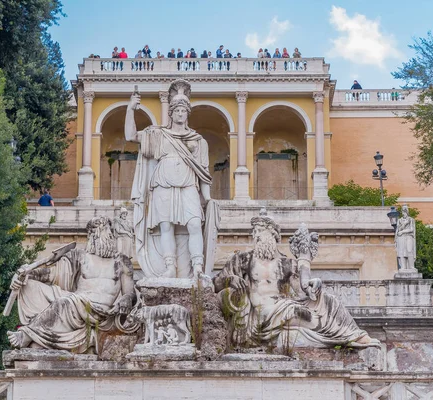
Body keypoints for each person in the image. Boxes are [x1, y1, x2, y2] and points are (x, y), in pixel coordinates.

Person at [213, 212, 381, 349]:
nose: (255, 236)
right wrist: (230, 280)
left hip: (280, 306)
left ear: (273, 236)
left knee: (330, 300)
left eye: (259, 232)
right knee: (296, 311)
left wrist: (312, 283)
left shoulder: (286, 264)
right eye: (254, 232)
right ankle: (341, 335)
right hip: (258, 312)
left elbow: (302, 287)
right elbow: (216, 283)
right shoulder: (242, 259)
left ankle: (354, 335)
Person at [125, 80, 216, 278]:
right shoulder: (159, 135)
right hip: (162, 183)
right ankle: (169, 267)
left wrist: (208, 199)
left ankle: (197, 268)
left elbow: (204, 172)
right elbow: (131, 135)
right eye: (177, 110)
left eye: (184, 110)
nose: (181, 114)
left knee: (193, 224)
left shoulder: (198, 140)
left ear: (188, 113)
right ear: (171, 113)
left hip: (188, 182)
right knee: (166, 226)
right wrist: (130, 109)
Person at [6, 216, 136, 352]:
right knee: (31, 286)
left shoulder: (121, 261)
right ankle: (39, 337)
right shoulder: (80, 256)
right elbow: (52, 274)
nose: (98, 237)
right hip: (78, 301)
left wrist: (126, 299)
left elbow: (130, 293)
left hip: (100, 311)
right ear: (90, 235)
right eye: (94, 233)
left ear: (110, 234)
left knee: (64, 303)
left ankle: (26, 335)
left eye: (103, 231)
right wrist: (26, 275)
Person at [395, 205, 416, 271]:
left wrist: (403, 231)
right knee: (402, 252)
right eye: (403, 212)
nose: (403, 213)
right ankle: (403, 267)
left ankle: (411, 267)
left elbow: (412, 229)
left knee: (409, 250)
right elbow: (398, 230)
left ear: (407, 212)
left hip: (409, 236)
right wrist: (404, 224)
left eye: (405, 211)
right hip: (401, 237)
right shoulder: (399, 220)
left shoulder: (411, 220)